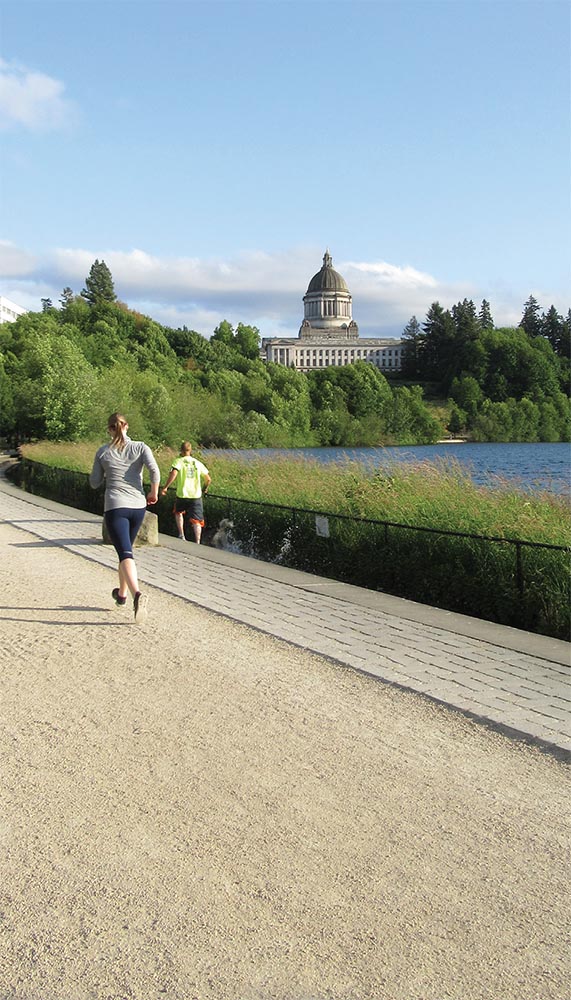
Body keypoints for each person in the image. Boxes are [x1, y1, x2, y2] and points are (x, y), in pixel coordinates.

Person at [89, 412, 160, 624]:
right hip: (138, 506)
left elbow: (94, 483)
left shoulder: (103, 452)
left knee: (125, 552)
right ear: (126, 426)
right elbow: (154, 471)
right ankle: (121, 595)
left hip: (115, 507)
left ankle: (137, 594)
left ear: (110, 429)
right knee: (125, 551)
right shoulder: (141, 447)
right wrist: (153, 492)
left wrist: (102, 473)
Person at [161, 442, 211, 543]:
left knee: (178, 512)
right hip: (196, 495)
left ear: (181, 450)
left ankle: (181, 535)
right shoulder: (197, 463)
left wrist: (165, 487)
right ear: (190, 450)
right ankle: (197, 541)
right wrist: (204, 488)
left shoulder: (178, 461)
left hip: (182, 493)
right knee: (197, 520)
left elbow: (174, 474)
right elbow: (208, 479)